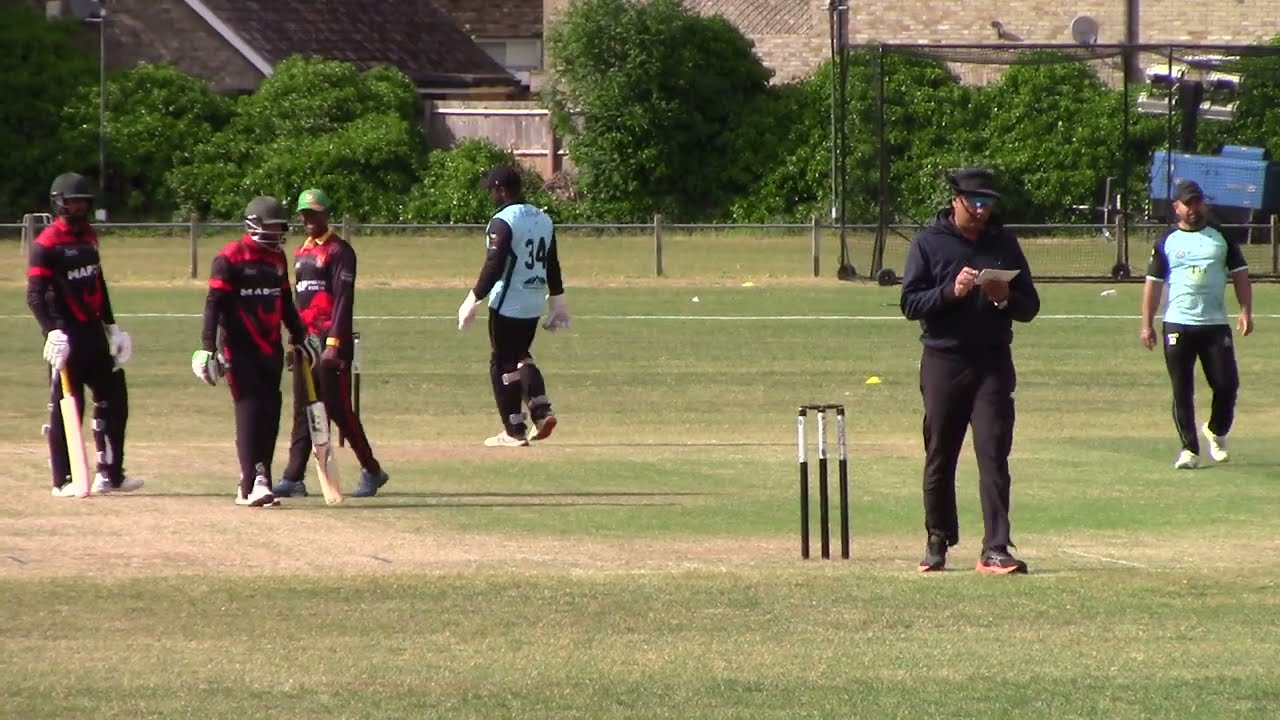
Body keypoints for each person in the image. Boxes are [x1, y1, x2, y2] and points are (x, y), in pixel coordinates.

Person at [899, 168, 1040, 575]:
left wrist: (1004, 297)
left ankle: (995, 547)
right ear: (955, 201)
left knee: (994, 453)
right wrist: (951, 292)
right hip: (944, 361)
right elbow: (910, 304)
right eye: (974, 203)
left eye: (987, 203)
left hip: (993, 361)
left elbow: (1030, 307)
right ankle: (937, 539)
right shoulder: (929, 243)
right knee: (940, 453)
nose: (981, 211)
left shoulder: (1004, 243)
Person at [192, 196, 317, 507]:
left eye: (280, 226)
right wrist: (207, 348)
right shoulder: (229, 258)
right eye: (271, 226)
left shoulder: (277, 260)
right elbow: (213, 306)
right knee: (250, 411)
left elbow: (285, 303)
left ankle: (255, 481)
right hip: (238, 349)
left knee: (271, 412)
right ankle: (254, 481)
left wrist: (301, 336)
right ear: (253, 225)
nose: (277, 232)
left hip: (269, 347)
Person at [28, 172, 140, 497]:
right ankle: (63, 479)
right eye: (72, 202)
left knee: (114, 399)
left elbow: (98, 284)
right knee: (66, 408)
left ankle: (110, 473)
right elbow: (34, 296)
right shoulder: (46, 245)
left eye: (83, 203)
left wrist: (112, 327)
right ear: (59, 204)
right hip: (65, 337)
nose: (78, 208)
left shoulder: (89, 237)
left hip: (93, 333)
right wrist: (51, 333)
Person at [273, 189, 389, 498]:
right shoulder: (301, 253)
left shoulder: (340, 251)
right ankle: (294, 477)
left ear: (326, 214)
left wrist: (334, 344)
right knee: (303, 409)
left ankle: (372, 470)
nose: (310, 219)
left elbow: (343, 301)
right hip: (307, 342)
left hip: (331, 343)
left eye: (315, 213)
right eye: (305, 214)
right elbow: (298, 303)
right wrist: (295, 341)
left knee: (337, 408)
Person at [1140, 179, 1252, 469]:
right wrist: (1147, 324)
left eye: (1197, 202)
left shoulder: (1220, 238)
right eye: (1187, 203)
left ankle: (1216, 430)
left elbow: (1240, 274)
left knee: (1227, 384)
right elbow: (1152, 285)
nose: (1194, 208)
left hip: (1214, 324)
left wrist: (1245, 310)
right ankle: (1189, 449)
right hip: (1178, 324)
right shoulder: (1167, 242)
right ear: (1176, 207)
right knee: (1182, 389)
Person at [457, 165, 570, 447]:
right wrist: (557, 299)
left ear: (502, 190)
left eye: (493, 190)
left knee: (501, 363)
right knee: (520, 356)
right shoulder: (543, 218)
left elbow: (494, 265)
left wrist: (473, 298)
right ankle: (541, 411)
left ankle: (514, 430)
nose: (491, 195)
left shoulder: (503, 221)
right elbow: (551, 263)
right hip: (533, 301)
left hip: (508, 301)